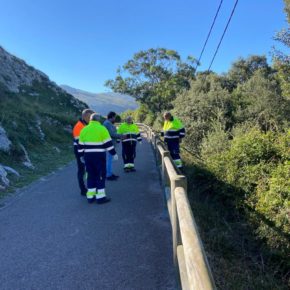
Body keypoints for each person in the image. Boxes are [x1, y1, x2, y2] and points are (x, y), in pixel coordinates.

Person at [78, 113, 118, 204]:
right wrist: (114, 153)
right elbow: (108, 143)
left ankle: (90, 197)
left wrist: (81, 156)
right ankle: (100, 198)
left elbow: (80, 145)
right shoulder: (102, 129)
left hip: (88, 157)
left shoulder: (84, 129)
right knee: (100, 175)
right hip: (99, 156)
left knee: (90, 175)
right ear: (98, 120)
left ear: (91, 120)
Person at [72, 108, 94, 195]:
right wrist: (82, 155)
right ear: (84, 116)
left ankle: (90, 187)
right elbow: (79, 143)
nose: (91, 119)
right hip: (80, 151)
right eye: (89, 117)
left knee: (88, 169)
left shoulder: (86, 125)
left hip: (86, 150)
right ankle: (83, 190)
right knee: (81, 170)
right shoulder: (78, 126)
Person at [103, 111, 121, 181]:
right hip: (109, 145)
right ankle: (108, 175)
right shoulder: (107, 123)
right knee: (109, 160)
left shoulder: (108, 123)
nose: (115, 119)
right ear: (112, 117)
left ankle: (109, 173)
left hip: (110, 144)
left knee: (110, 160)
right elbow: (112, 134)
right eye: (114, 117)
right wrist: (121, 136)